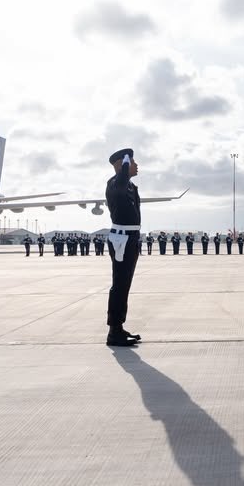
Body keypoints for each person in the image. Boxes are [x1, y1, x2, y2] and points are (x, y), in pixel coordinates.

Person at [104, 148, 142, 347]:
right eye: (132, 162)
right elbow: (120, 183)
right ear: (122, 164)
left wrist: (126, 167)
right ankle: (114, 332)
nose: (136, 165)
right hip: (122, 240)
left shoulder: (129, 186)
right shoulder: (115, 184)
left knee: (125, 285)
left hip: (130, 238)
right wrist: (125, 164)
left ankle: (119, 327)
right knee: (119, 285)